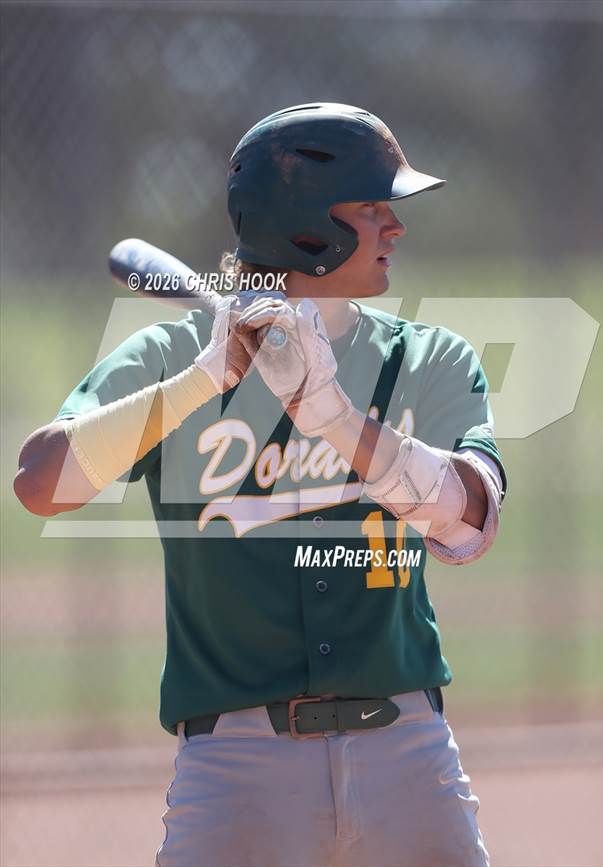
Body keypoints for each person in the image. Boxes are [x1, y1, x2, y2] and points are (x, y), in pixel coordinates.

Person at [15, 103, 506, 867]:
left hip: (407, 751)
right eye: (373, 205)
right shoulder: (177, 355)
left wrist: (337, 417)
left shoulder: (429, 358)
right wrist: (202, 380)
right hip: (236, 768)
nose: (395, 226)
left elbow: (469, 520)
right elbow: (40, 481)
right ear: (309, 226)